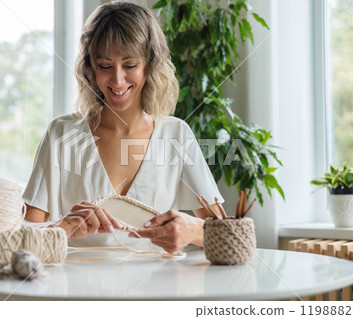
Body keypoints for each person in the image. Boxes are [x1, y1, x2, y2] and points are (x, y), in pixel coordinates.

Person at [22, 1, 225, 253]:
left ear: (150, 65)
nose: (117, 80)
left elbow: (226, 234)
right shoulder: (62, 134)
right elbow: (23, 236)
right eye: (105, 66)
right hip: (75, 288)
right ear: (90, 69)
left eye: (130, 65)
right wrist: (62, 227)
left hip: (155, 289)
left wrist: (193, 230)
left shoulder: (176, 135)